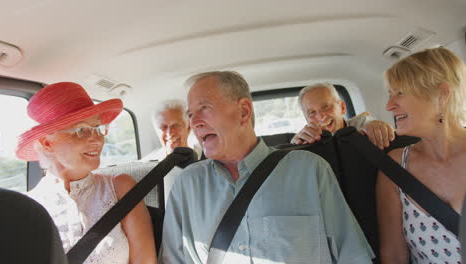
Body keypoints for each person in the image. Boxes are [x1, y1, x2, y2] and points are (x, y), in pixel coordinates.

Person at [161, 71, 374, 263]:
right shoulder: (186, 185)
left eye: (204, 108)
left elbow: (353, 256)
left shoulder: (310, 170)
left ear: (244, 111)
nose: (194, 122)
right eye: (190, 115)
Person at [16, 82, 157, 264]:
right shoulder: (28, 207)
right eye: (81, 130)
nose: (97, 139)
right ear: (47, 143)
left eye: (98, 128)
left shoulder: (120, 188)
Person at [377, 47, 466, 263]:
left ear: (441, 94)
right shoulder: (395, 168)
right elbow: (394, 256)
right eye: (390, 94)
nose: (389, 106)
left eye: (400, 93)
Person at [291, 83, 395, 149]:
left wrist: (378, 127)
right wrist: (297, 147)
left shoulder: (361, 124)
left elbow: (370, 124)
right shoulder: (306, 140)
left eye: (326, 106)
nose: (321, 116)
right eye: (312, 112)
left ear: (342, 107)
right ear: (306, 119)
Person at [142, 99, 202, 202]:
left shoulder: (208, 157)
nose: (170, 133)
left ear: (188, 128)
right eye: (163, 127)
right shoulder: (147, 166)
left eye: (175, 125)